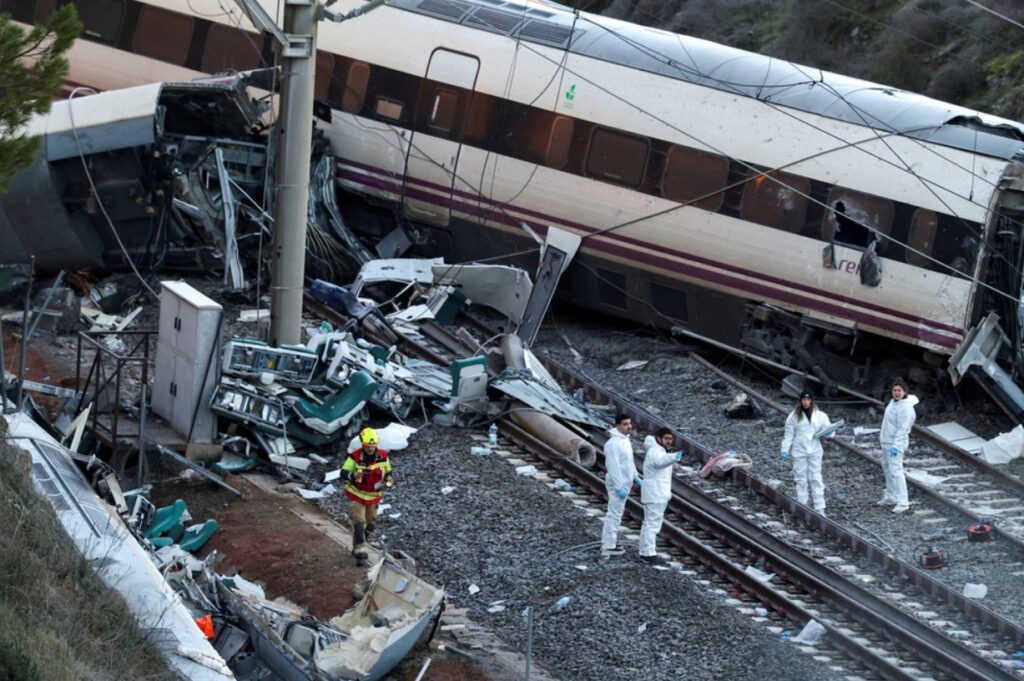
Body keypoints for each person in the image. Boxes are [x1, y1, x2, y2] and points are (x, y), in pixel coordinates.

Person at [342, 427, 394, 558]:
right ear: (362, 444)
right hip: (357, 495)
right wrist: (352, 475)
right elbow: (343, 473)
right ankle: (359, 549)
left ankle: (362, 542)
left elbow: (388, 470)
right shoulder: (354, 457)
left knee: (370, 525)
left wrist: (388, 477)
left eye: (372, 446)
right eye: (367, 446)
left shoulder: (383, 456)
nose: (370, 449)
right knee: (359, 523)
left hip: (373, 497)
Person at [780, 390, 832, 515]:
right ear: (800, 401)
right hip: (799, 450)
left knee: (816, 478)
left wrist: (830, 433)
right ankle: (802, 505)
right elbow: (788, 435)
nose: (806, 402)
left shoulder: (820, 415)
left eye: (808, 400)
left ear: (812, 401)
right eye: (804, 399)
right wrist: (785, 450)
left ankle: (819, 507)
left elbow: (829, 428)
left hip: (814, 450)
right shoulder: (793, 416)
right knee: (800, 478)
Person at [639, 428, 682, 566]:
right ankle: (649, 554)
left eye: (671, 439)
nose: (669, 441)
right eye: (666, 439)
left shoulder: (659, 450)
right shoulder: (655, 451)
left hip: (656, 493)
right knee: (652, 524)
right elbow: (660, 462)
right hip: (655, 493)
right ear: (659, 438)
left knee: (650, 523)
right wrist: (675, 456)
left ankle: (645, 551)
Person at [879, 378, 918, 513]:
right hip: (886, 442)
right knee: (887, 469)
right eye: (894, 390)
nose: (896, 393)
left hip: (895, 444)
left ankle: (903, 502)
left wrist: (896, 446)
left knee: (896, 471)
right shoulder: (893, 402)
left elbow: (903, 429)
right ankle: (891, 496)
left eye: (899, 391)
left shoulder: (906, 408)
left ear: (905, 392)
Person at [601, 413, 637, 559]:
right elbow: (613, 466)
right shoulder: (613, 444)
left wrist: (635, 476)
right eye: (625, 424)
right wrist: (618, 487)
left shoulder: (625, 440)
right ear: (617, 425)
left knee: (617, 514)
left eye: (629, 423)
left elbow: (628, 462)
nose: (629, 426)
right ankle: (608, 545)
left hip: (625, 481)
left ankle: (610, 543)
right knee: (614, 514)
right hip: (618, 483)